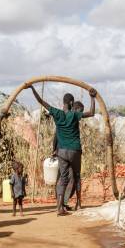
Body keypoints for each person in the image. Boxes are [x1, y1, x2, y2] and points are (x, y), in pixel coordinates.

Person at [28, 86, 96, 216]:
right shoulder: (74, 115)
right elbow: (92, 113)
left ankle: (60, 207)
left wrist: (32, 89)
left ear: (63, 103)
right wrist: (92, 98)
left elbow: (41, 101)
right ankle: (78, 203)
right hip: (74, 150)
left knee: (63, 178)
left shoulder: (57, 113)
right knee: (76, 176)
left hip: (62, 152)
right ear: (71, 103)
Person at [52, 101, 85, 211]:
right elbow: (56, 136)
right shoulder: (73, 117)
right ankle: (73, 203)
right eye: (80, 111)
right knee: (73, 178)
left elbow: (55, 137)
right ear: (76, 109)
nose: (80, 114)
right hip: (72, 152)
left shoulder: (63, 117)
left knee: (63, 179)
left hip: (61, 153)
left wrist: (54, 150)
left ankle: (61, 205)